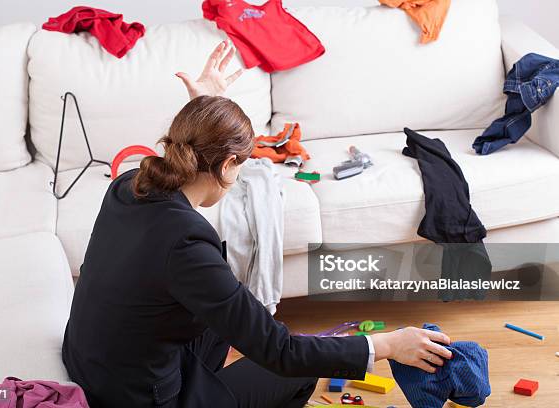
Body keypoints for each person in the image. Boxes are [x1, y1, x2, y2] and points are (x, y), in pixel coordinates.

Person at [62, 41, 454, 408]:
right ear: (228, 164)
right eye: (239, 166)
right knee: (296, 370)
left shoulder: (128, 186)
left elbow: (199, 161)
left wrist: (209, 110)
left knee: (232, 315)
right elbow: (281, 352)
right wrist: (386, 344)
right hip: (136, 397)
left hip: (96, 360)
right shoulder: (186, 245)